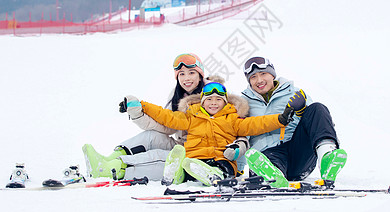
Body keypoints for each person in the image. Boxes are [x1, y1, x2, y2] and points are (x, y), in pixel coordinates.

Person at [82, 53, 249, 180]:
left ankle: (114, 168)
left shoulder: (216, 95)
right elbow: (167, 126)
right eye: (181, 74)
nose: (186, 78)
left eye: (191, 73)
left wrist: (238, 165)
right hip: (184, 145)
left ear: (200, 75)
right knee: (151, 136)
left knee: (160, 158)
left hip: (209, 153)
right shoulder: (176, 95)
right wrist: (138, 113)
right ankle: (108, 160)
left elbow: (238, 127)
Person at [120, 82, 296, 186]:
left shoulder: (232, 119)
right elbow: (166, 116)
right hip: (194, 159)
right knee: (189, 164)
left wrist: (280, 119)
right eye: (209, 99)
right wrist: (142, 104)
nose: (213, 103)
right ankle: (178, 173)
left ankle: (215, 175)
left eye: (218, 99)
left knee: (223, 167)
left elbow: (257, 124)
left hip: (221, 158)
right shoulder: (191, 117)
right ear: (202, 102)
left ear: (225, 102)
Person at [241, 56, 347, 187]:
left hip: (297, 153)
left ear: (272, 74)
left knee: (317, 108)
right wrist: (237, 169)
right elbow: (239, 134)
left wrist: (302, 111)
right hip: (267, 154)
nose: (259, 80)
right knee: (262, 158)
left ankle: (327, 156)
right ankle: (272, 175)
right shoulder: (243, 103)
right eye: (253, 77)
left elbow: (317, 123)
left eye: (263, 74)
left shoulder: (293, 93)